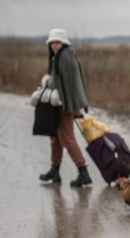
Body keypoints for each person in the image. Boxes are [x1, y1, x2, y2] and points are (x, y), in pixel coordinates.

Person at [38, 28, 93, 187]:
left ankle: (83, 172)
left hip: (64, 105)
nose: (54, 45)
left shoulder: (63, 57)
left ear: (63, 43)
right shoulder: (66, 56)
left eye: (57, 42)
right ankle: (54, 171)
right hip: (63, 103)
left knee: (67, 138)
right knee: (55, 138)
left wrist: (46, 81)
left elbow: (57, 83)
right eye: (52, 42)